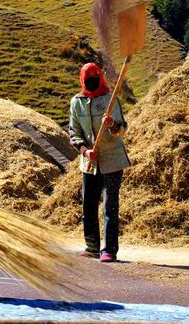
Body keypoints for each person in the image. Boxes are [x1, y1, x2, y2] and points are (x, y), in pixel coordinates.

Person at [69, 62, 130, 263]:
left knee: (109, 206)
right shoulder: (76, 103)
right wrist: (85, 152)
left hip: (112, 160)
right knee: (88, 205)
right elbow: (74, 134)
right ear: (83, 81)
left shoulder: (109, 99)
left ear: (100, 79)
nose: (92, 84)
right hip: (89, 163)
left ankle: (109, 250)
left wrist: (112, 124)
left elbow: (122, 129)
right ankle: (92, 246)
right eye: (89, 81)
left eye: (95, 80)